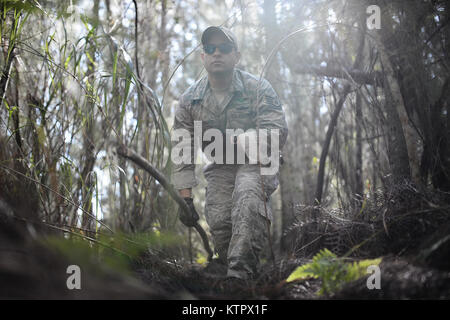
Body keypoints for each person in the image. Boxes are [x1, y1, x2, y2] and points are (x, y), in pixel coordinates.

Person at [171, 26, 288, 281]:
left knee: (247, 202)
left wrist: (236, 140)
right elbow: (182, 152)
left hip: (256, 162)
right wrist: (186, 199)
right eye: (210, 49)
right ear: (203, 57)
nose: (216, 54)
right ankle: (234, 271)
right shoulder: (189, 101)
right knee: (222, 224)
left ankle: (240, 280)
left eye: (224, 49)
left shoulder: (257, 88)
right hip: (221, 166)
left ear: (236, 55)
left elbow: (276, 132)